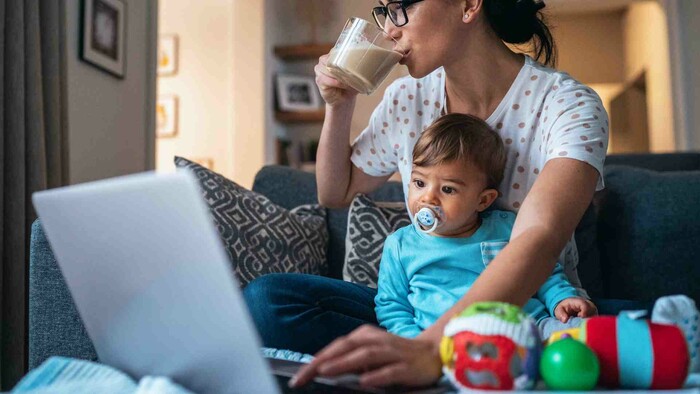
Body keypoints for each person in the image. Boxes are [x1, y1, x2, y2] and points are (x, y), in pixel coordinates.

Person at [243, 0, 646, 388]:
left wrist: (432, 347)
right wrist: (339, 105)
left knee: (647, 330)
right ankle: (445, 359)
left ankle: (462, 357)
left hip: (529, 310)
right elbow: (335, 192)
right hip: (424, 310)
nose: (389, 28)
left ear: (469, 5)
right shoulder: (406, 99)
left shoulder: (567, 105)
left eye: (402, 7)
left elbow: (538, 237)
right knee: (267, 300)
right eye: (383, 11)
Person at [375, 113, 597, 341]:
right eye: (420, 183)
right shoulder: (400, 246)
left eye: (448, 189)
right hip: (446, 344)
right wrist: (415, 344)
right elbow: (392, 307)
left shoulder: (508, 227)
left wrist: (562, 298)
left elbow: (542, 272)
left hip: (528, 329)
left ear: (483, 200)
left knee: (584, 335)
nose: (428, 198)